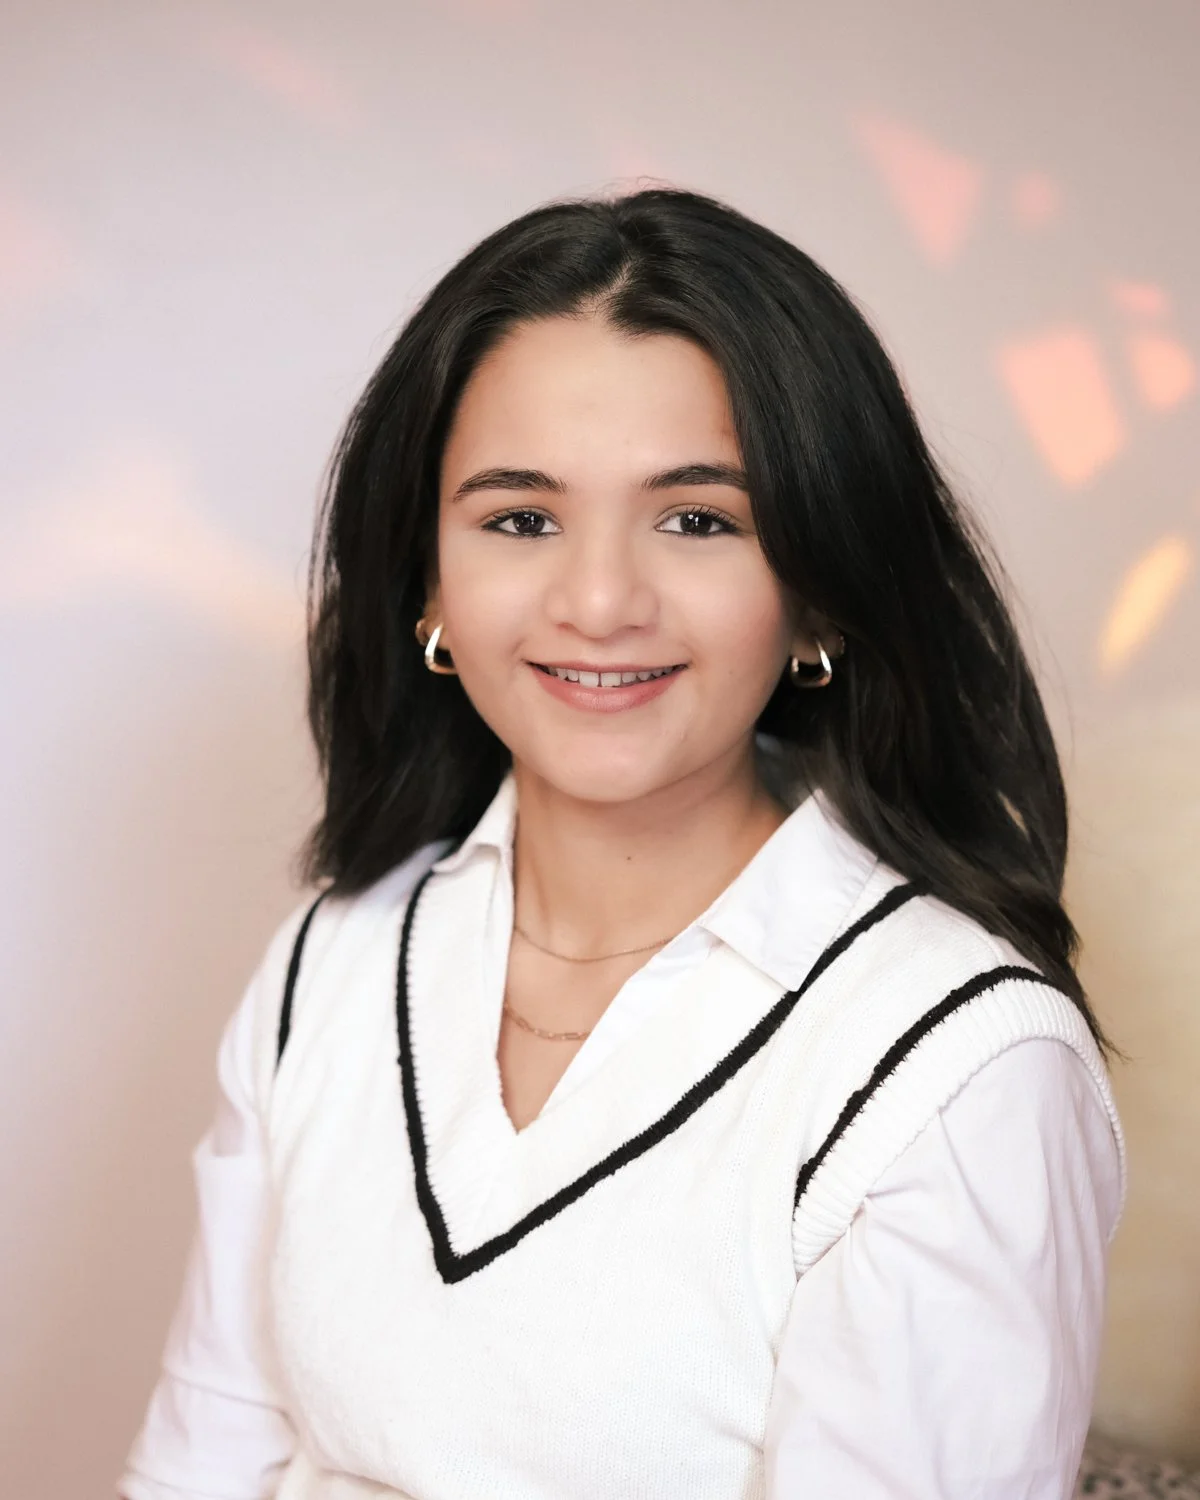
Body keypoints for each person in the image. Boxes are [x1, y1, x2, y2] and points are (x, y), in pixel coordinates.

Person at [118, 187, 1125, 1500]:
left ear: (816, 586)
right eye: (520, 518)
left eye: (699, 518)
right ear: (427, 581)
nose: (598, 601)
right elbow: (201, 1466)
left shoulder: (956, 1066)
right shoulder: (335, 959)